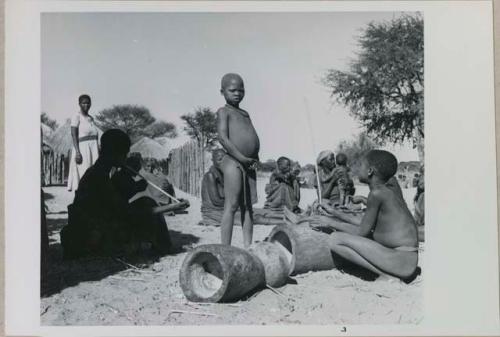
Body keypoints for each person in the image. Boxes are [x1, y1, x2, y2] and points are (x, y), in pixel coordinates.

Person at [61, 129, 172, 259]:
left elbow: (115, 199)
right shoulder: (98, 176)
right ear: (114, 153)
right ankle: (163, 246)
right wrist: (162, 208)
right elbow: (121, 210)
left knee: (145, 203)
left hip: (99, 225)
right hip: (94, 234)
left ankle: (159, 245)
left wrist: (131, 183)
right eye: (124, 154)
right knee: (146, 203)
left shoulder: (99, 171)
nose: (125, 158)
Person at [313, 150, 418, 280]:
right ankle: (387, 273)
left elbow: (360, 232)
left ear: (370, 171)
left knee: (335, 239)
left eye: (361, 165)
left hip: (400, 261)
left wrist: (330, 222)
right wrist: (334, 212)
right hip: (406, 259)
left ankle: (386, 276)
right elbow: (363, 224)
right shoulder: (387, 190)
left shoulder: (376, 194)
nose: (356, 168)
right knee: (353, 232)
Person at [217, 73, 260, 248]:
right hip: (233, 161)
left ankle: (248, 246)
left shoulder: (245, 113)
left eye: (240, 90)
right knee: (232, 204)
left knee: (248, 206)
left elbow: (250, 135)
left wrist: (254, 156)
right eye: (232, 90)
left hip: (248, 163)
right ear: (222, 91)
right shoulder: (223, 112)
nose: (237, 93)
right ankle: (225, 248)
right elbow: (223, 138)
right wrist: (241, 157)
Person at [199, 149, 243, 226]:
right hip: (212, 212)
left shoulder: (223, 174)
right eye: (219, 160)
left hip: (221, 209)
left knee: (252, 212)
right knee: (250, 216)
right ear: (213, 160)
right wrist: (235, 203)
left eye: (225, 160)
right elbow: (217, 201)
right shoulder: (211, 176)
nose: (223, 162)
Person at [67, 94, 101, 191]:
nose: (86, 105)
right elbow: (73, 134)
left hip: (93, 150)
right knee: (83, 174)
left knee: (93, 175)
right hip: (83, 149)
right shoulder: (76, 116)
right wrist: (77, 152)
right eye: (84, 103)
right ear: (79, 104)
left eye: (88, 103)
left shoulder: (91, 118)